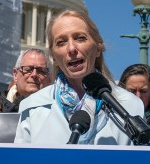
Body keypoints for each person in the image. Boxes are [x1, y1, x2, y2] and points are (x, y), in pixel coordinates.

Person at [15, 10, 143, 145]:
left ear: (98, 48)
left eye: (80, 38)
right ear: (54, 57)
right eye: (61, 42)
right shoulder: (31, 107)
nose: (71, 49)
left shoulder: (130, 105)